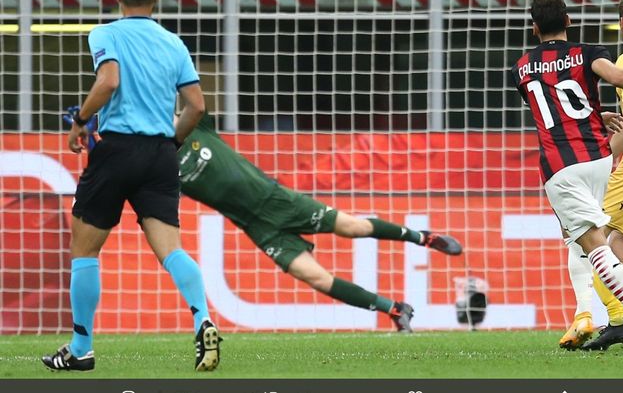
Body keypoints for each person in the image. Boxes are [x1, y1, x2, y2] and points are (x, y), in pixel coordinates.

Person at [42, 0, 219, 372]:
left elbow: (108, 81)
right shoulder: (174, 43)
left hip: (118, 150)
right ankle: (203, 319)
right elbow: (196, 106)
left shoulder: (106, 34)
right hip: (160, 154)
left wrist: (81, 120)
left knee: (85, 250)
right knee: (171, 250)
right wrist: (170, 142)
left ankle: (81, 348)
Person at [510, 0, 623, 354]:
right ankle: (621, 318)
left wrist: (608, 144)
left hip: (603, 163)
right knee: (619, 246)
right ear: (569, 21)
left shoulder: (523, 67)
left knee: (593, 244)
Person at [177, 113, 463, 332]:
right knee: (316, 278)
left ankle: (422, 237)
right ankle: (396, 310)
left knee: (353, 227)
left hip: (279, 201)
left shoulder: (196, 127)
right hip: (257, 226)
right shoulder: (161, 167)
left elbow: (192, 94)